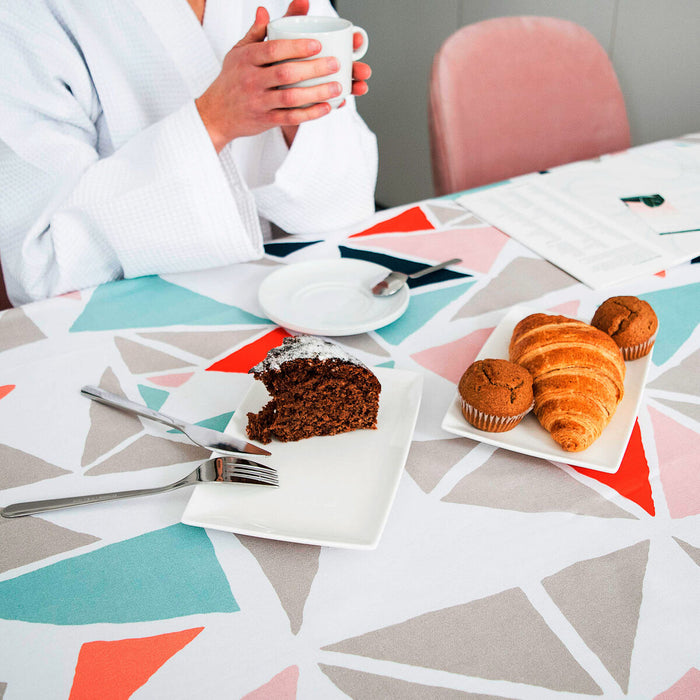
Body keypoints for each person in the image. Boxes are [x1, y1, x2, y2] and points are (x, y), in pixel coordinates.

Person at [0, 0, 377, 306]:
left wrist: (294, 120)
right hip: (123, 330)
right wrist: (215, 120)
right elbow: (41, 266)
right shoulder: (27, 15)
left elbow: (346, 209)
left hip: (299, 302)